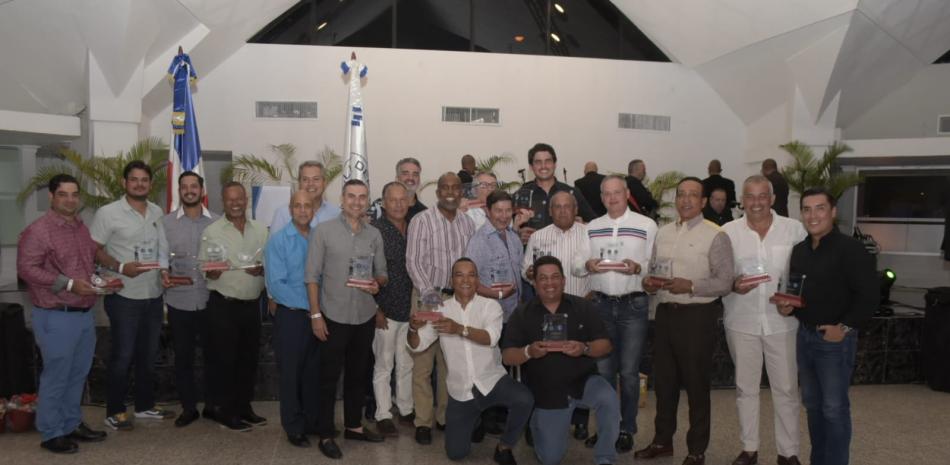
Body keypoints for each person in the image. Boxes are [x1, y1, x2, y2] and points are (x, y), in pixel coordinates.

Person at [636, 177, 734, 465]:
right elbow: (653, 270)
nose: (686, 200)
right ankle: (662, 441)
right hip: (665, 315)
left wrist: (690, 286)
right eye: (681, 195)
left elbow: (725, 282)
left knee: (696, 386)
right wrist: (648, 283)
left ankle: (696, 449)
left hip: (697, 318)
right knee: (664, 385)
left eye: (693, 195)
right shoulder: (664, 233)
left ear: (703, 202)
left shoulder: (716, 235)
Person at [777, 187, 877, 465]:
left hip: (835, 341)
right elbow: (799, 294)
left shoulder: (851, 249)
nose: (813, 215)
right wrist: (788, 306)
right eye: (807, 209)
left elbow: (869, 296)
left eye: (820, 208)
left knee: (834, 409)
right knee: (813, 407)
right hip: (805, 336)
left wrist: (843, 328)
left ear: (833, 212)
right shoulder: (799, 251)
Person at [408, 258, 533, 465]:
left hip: (492, 381)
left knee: (524, 398)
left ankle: (504, 446)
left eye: (471, 275)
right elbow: (417, 345)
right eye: (459, 275)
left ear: (477, 280)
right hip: (461, 390)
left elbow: (491, 338)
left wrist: (460, 329)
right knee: (456, 453)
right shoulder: (440, 309)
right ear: (452, 280)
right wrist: (413, 328)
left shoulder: (490, 306)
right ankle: (475, 421)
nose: (465, 280)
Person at [17, 174, 107, 453]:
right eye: (63, 194)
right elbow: (27, 269)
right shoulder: (38, 230)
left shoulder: (80, 227)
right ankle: (51, 433)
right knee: (57, 375)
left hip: (83, 314)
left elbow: (85, 262)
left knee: (78, 373)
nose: (70, 200)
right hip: (55, 314)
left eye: (74, 194)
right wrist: (67, 284)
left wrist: (101, 281)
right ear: (52, 197)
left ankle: (71, 424)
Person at [722, 175, 806, 465]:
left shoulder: (794, 230)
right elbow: (719, 275)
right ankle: (749, 449)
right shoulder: (728, 232)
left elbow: (804, 274)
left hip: (782, 323)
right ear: (742, 200)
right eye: (750, 196)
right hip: (741, 320)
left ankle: (788, 452)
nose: (756, 202)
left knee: (786, 389)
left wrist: (795, 303)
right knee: (746, 388)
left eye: (762, 196)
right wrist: (733, 285)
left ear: (772, 199)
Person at [501, 256, 618, 465]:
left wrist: (584, 348)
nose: (550, 283)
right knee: (551, 458)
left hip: (583, 382)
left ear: (564, 280)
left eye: (555, 277)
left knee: (609, 398)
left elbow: (606, 345)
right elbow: (507, 356)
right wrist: (528, 352)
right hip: (547, 392)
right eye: (543, 278)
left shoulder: (583, 306)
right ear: (534, 283)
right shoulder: (522, 313)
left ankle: (605, 458)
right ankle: (536, 421)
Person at [306, 179, 389, 459]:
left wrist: (377, 284)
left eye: (362, 197)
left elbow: (382, 273)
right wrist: (316, 315)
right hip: (333, 316)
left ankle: (353, 426)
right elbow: (311, 277)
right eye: (351, 196)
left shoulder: (374, 235)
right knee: (328, 378)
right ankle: (326, 433)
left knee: (357, 375)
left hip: (364, 315)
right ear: (342, 199)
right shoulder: (323, 232)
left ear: (367, 200)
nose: (356, 201)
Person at [575, 174, 657, 453]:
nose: (612, 198)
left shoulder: (646, 225)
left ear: (627, 193)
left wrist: (638, 268)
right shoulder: (592, 227)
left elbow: (654, 265)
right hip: (600, 306)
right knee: (603, 371)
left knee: (630, 372)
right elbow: (576, 266)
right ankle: (606, 427)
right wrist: (587, 263)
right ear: (601, 197)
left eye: (617, 192)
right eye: (606, 194)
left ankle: (626, 428)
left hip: (633, 305)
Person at [90, 160, 173, 430]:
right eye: (134, 179)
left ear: (150, 184)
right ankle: (114, 410)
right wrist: (120, 266)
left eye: (144, 180)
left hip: (153, 294)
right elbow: (94, 249)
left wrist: (164, 271)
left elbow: (160, 248)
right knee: (123, 355)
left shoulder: (157, 211)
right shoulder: (108, 213)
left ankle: (145, 406)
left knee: (148, 355)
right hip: (124, 295)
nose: (139, 184)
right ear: (125, 183)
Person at [406, 172, 476, 445]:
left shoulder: (468, 224)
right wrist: (430, 295)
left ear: (461, 192)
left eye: (455, 188)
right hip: (428, 296)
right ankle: (422, 421)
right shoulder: (421, 220)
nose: (450, 192)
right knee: (423, 361)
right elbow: (413, 261)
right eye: (444, 187)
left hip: (457, 300)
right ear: (438, 193)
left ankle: (444, 417)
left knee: (450, 361)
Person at [199, 182, 269, 432]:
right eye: (230, 200)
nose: (236, 203)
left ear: (246, 199)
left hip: (251, 305)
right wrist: (214, 272)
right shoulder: (212, 231)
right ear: (223, 201)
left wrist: (263, 269)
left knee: (248, 360)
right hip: (223, 305)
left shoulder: (261, 230)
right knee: (224, 361)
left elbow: (269, 262)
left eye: (239, 198)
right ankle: (224, 410)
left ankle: (243, 407)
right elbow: (205, 267)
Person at [160, 171, 217, 428]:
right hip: (178, 301)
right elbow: (162, 259)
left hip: (210, 300)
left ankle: (212, 405)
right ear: (179, 190)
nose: (189, 190)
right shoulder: (166, 223)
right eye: (184, 187)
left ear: (201, 189)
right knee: (182, 358)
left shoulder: (217, 222)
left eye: (194, 186)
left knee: (212, 356)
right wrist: (163, 272)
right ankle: (188, 407)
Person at [265, 190, 319, 447]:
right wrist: (311, 306)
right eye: (297, 206)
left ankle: (310, 421)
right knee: (290, 374)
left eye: (307, 206)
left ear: (314, 209)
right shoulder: (278, 240)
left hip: (318, 315)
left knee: (311, 372)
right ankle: (293, 426)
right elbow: (276, 285)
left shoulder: (320, 238)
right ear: (290, 209)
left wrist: (319, 309)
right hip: (292, 316)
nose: (302, 210)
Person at [370, 182, 416, 436]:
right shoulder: (374, 231)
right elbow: (365, 272)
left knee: (406, 363)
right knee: (384, 364)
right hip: (384, 311)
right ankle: (383, 414)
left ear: (409, 201)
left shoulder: (415, 228)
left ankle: (406, 409)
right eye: (393, 200)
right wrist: (375, 309)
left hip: (410, 310)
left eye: (403, 199)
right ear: (383, 203)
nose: (398, 204)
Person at [513, 143, 596, 244]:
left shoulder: (572, 193)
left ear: (555, 164)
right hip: (533, 256)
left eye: (548, 161)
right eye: (538, 162)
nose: (543, 166)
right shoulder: (521, 195)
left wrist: (582, 225)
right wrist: (517, 234)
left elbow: (594, 224)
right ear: (531, 166)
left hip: (567, 255)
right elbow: (507, 229)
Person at [465, 190, 524, 321]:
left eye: (508, 210)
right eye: (498, 210)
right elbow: (469, 280)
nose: (504, 216)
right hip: (490, 315)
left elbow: (520, 272)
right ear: (488, 211)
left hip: (515, 313)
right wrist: (498, 294)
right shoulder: (478, 241)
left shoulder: (514, 238)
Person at [522, 191, 590, 298]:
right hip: (547, 303)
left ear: (575, 210)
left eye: (567, 206)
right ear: (550, 211)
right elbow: (525, 269)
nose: (562, 211)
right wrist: (529, 274)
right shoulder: (537, 237)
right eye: (557, 207)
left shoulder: (589, 234)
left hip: (582, 304)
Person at [269, 161, 341, 232]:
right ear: (299, 183)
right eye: (305, 179)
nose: (310, 183)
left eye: (316, 179)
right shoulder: (283, 214)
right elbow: (274, 243)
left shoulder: (337, 214)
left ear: (324, 183)